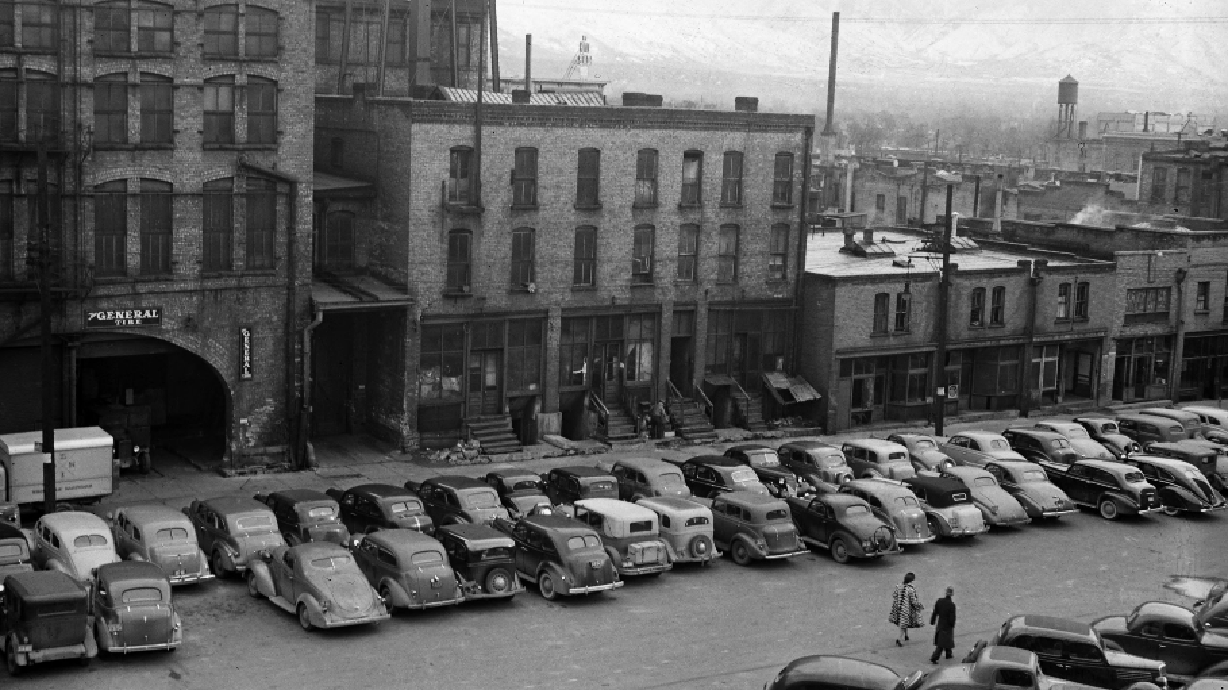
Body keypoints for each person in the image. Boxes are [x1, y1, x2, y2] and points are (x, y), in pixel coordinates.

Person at [889, 572, 924, 646]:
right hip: (906, 609)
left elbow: (894, 595)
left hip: (897, 608)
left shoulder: (898, 586)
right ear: (912, 580)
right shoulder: (911, 589)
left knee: (903, 622)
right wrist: (920, 606)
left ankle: (906, 635)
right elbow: (914, 601)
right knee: (904, 624)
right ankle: (899, 639)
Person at [930, 586, 957, 663]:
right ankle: (935, 657)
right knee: (943, 642)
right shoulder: (951, 605)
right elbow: (952, 617)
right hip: (947, 625)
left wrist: (933, 620)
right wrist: (952, 624)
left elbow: (935, 612)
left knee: (944, 640)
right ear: (952, 594)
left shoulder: (939, 601)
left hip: (940, 624)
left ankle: (949, 653)